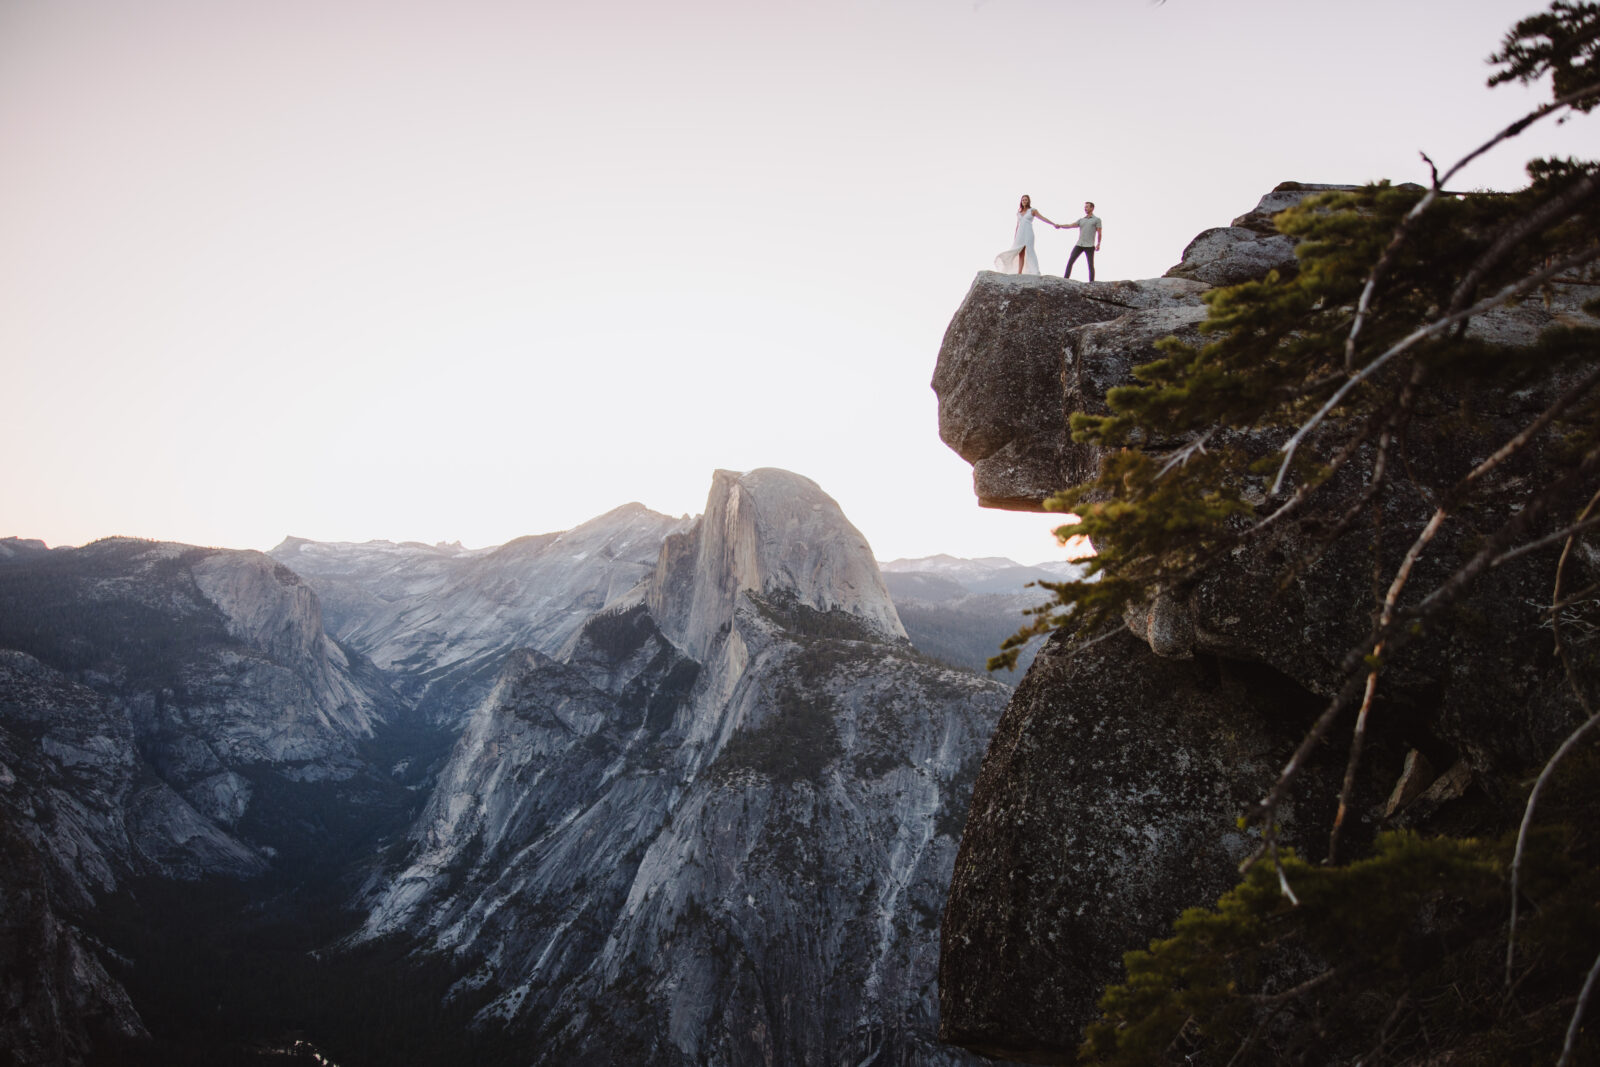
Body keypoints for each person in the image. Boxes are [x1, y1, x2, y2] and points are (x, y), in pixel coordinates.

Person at [993, 194, 1059, 275]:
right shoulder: (1019, 212)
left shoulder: (1032, 210)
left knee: (1029, 251)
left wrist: (1053, 223)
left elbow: (1042, 218)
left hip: (1028, 232)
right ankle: (1019, 272)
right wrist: (1015, 236)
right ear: (1021, 201)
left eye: (1026, 200)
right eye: (1023, 200)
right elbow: (1017, 225)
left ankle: (1034, 271)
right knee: (1020, 252)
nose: (1024, 201)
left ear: (1028, 201)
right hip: (1020, 234)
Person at [1061, 202, 1103, 282]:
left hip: (1090, 245)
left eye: (1087, 207)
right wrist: (1060, 226)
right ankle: (1065, 280)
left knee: (1090, 265)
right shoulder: (1081, 220)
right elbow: (1070, 225)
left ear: (1092, 208)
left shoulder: (1097, 220)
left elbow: (1099, 232)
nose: (1085, 208)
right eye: (1085, 207)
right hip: (1079, 244)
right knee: (1070, 260)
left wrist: (1098, 244)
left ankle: (1091, 283)